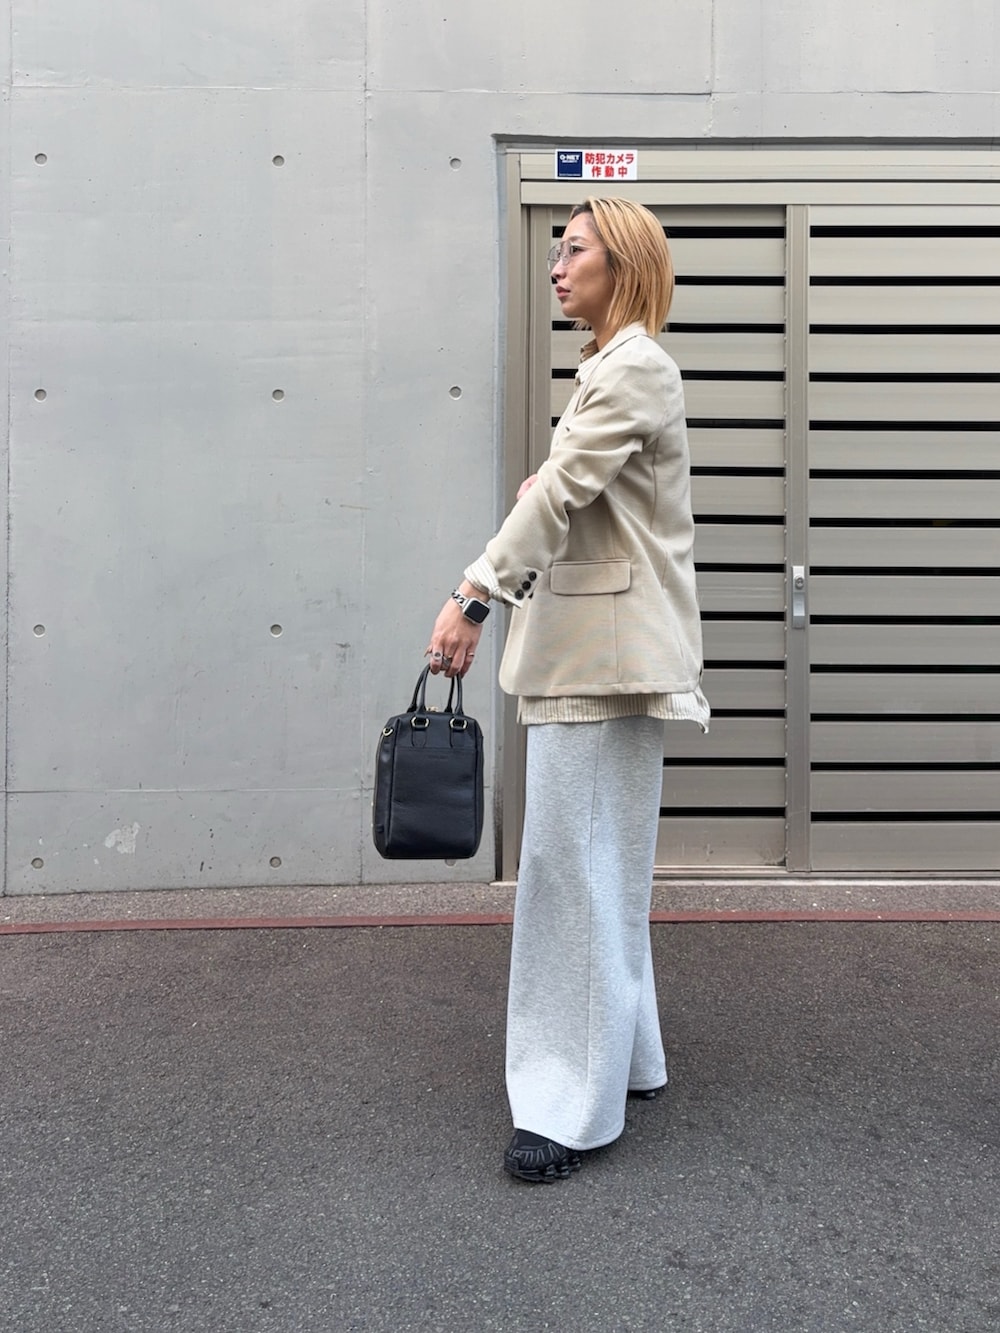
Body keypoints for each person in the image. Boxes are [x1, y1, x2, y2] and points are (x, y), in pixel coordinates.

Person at [425, 196, 709, 1182]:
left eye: (574, 249)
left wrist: (473, 593)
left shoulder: (633, 367)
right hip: (603, 653)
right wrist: (549, 489)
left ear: (621, 262)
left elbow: (556, 494)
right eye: (555, 250)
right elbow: (578, 493)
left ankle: (564, 1106)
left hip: (600, 658)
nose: (556, 265)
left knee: (568, 877)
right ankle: (628, 1059)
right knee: (602, 870)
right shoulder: (614, 368)